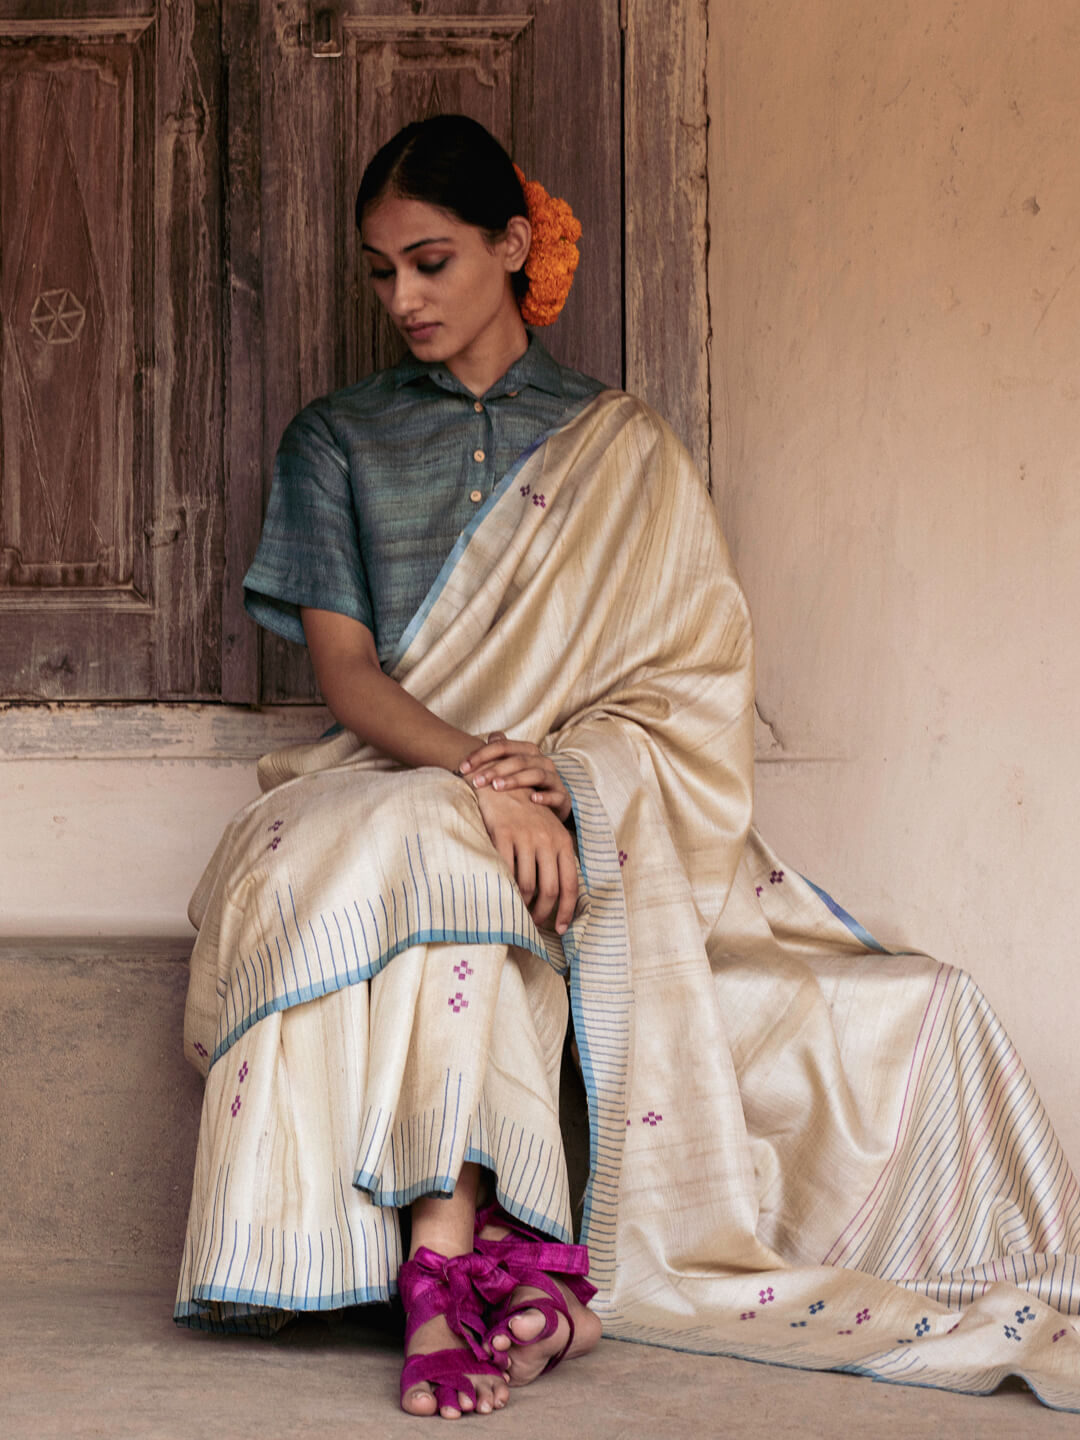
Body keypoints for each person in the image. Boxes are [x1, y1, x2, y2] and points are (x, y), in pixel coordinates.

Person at [175, 115, 1080, 1419]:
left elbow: (686, 689)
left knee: (923, 1003)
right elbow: (351, 678)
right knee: (437, 850)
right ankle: (459, 1268)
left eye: (430, 261)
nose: (404, 299)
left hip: (582, 805)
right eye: (381, 273)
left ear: (513, 244)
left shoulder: (626, 447)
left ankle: (500, 1269)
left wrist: (565, 783)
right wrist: (487, 776)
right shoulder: (338, 439)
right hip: (393, 772)